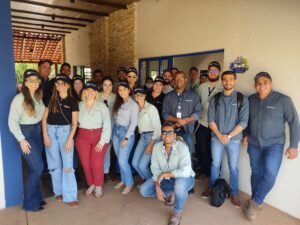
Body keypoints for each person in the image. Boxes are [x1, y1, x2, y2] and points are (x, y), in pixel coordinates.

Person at [243, 72, 300, 221]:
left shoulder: (283, 100)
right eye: (258, 82)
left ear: (271, 83)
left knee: (270, 175)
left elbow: (294, 122)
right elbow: (245, 121)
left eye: (265, 81)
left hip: (274, 145)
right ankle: (256, 202)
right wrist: (246, 135)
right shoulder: (250, 100)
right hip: (254, 144)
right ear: (255, 84)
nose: (262, 85)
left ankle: (255, 202)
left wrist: (294, 146)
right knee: (255, 172)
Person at [201, 71, 249, 208]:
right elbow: (211, 120)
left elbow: (244, 122)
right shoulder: (215, 98)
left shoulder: (242, 99)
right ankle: (211, 187)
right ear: (222, 81)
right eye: (225, 80)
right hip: (217, 138)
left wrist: (228, 136)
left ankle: (234, 193)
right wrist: (220, 135)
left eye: (231, 79)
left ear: (235, 80)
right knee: (215, 164)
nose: (228, 82)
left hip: (233, 140)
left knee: (233, 167)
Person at [140, 123, 195, 225]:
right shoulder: (156, 147)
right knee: (144, 190)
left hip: (184, 179)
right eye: (164, 133)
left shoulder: (182, 147)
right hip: (166, 179)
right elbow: (155, 169)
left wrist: (164, 174)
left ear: (175, 135)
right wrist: (157, 185)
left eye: (170, 132)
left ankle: (177, 212)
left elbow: (186, 171)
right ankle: (171, 193)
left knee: (179, 185)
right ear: (161, 136)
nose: (167, 135)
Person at [8, 69, 45, 212]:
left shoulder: (37, 96)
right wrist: (22, 140)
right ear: (25, 82)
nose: (34, 83)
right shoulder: (19, 99)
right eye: (31, 81)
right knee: (38, 167)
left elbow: (41, 114)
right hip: (26, 134)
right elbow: (12, 122)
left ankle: (37, 198)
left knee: (33, 168)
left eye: (36, 81)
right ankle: (29, 203)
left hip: (36, 131)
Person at [42, 74, 79, 207]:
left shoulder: (73, 102)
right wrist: (45, 136)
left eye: (63, 84)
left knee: (68, 166)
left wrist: (70, 140)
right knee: (54, 164)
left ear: (68, 86)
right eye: (57, 84)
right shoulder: (50, 99)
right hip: (50, 131)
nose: (60, 86)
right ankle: (58, 192)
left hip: (66, 133)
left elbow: (74, 124)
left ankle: (70, 196)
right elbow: (44, 119)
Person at [75, 81, 111, 198]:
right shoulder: (79, 105)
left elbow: (107, 125)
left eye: (93, 91)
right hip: (83, 137)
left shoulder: (102, 106)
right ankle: (91, 184)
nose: (90, 93)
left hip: (98, 136)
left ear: (96, 93)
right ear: (84, 92)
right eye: (87, 90)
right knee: (85, 163)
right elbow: (74, 123)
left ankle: (98, 185)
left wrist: (102, 141)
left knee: (96, 163)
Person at [195, 61, 223, 178]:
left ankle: (215, 174)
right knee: (202, 149)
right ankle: (206, 172)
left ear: (219, 72)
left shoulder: (223, 87)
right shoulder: (201, 87)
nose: (212, 73)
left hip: (217, 125)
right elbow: (196, 104)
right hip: (202, 123)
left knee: (215, 152)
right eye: (210, 71)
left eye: (215, 71)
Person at [162, 71, 200, 154]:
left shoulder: (193, 95)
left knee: (187, 156)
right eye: (176, 78)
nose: (178, 80)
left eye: (181, 78)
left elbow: (197, 113)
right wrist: (177, 120)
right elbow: (165, 114)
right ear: (174, 81)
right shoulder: (168, 96)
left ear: (185, 80)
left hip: (187, 131)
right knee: (172, 155)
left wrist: (185, 121)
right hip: (171, 132)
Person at [112, 80, 139, 194]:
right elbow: (114, 118)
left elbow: (134, 123)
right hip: (116, 131)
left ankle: (129, 183)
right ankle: (123, 180)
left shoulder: (133, 105)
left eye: (124, 89)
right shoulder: (118, 102)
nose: (121, 92)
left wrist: (126, 137)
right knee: (120, 159)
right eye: (119, 90)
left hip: (126, 133)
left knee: (123, 161)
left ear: (129, 90)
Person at [132, 86, 161, 181]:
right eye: (136, 95)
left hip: (152, 137)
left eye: (140, 95)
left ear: (144, 96)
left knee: (142, 166)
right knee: (135, 164)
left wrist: (151, 145)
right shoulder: (135, 109)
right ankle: (147, 181)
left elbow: (158, 129)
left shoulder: (151, 108)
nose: (138, 97)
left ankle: (153, 185)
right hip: (142, 137)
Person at [99, 76, 117, 178]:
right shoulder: (97, 96)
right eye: (105, 85)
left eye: (109, 85)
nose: (107, 87)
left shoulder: (115, 97)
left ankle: (105, 171)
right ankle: (97, 170)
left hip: (110, 126)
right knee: (97, 149)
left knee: (106, 150)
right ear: (102, 85)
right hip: (97, 126)